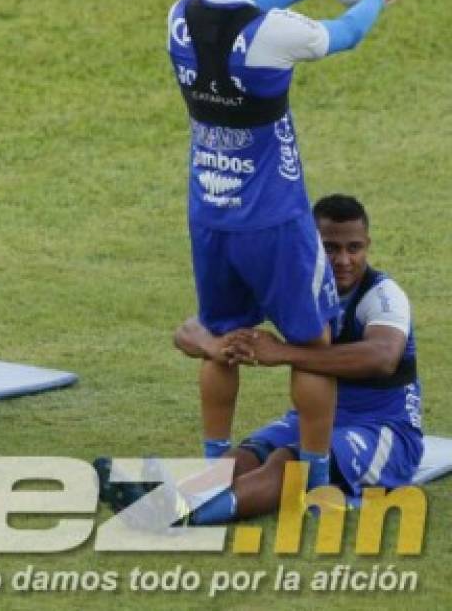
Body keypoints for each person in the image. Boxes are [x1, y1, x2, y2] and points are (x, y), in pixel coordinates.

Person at [165, 0, 407, 499]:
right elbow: (344, 35)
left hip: (209, 214)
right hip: (273, 221)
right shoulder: (276, 35)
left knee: (221, 343)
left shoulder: (180, 17)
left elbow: (241, 15)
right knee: (314, 343)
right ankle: (320, 482)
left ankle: (214, 466)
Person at [98, 195, 421, 524]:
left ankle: (185, 517)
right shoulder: (294, 287)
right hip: (313, 419)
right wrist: (214, 345)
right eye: (330, 248)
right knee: (245, 456)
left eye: (354, 248)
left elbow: (383, 357)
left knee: (287, 462)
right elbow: (188, 331)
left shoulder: (382, 295)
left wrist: (282, 353)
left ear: (367, 245)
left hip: (384, 430)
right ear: (309, 245)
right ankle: (166, 502)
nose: (343, 260)